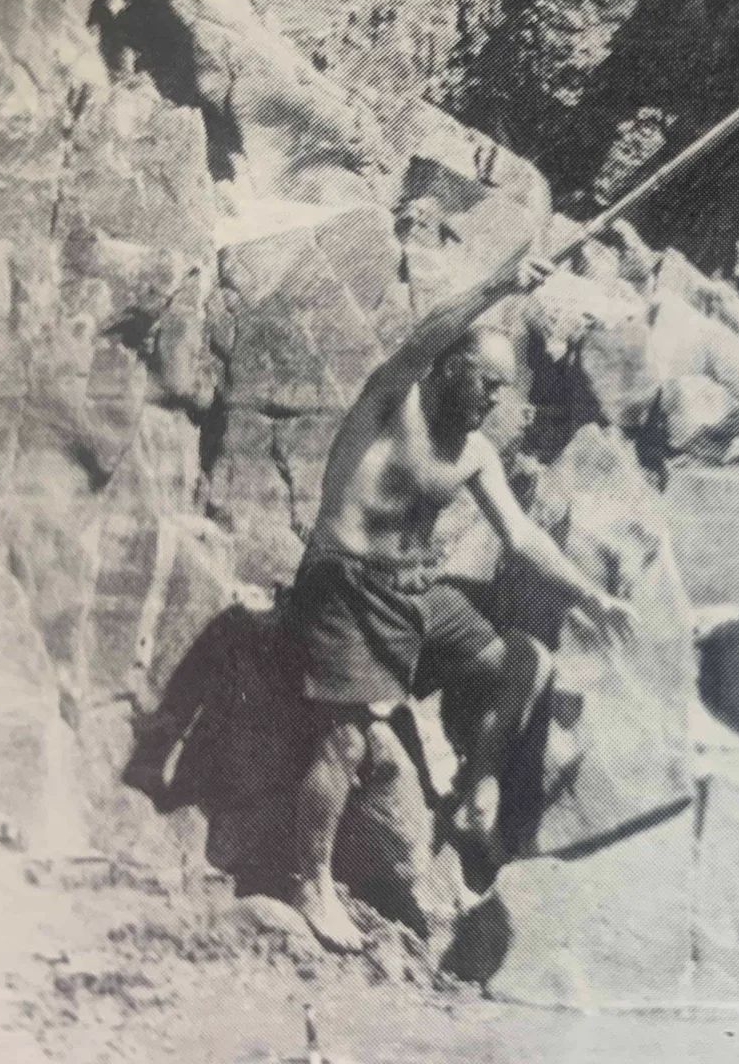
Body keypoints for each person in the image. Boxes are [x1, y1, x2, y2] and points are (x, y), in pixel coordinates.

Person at [281, 251, 637, 953]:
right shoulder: (390, 403)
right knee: (345, 740)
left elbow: (523, 536)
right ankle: (309, 882)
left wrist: (591, 592)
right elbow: (423, 333)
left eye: (503, 390)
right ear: (451, 366)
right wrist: (500, 283)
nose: (492, 400)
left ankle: (480, 793)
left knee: (523, 662)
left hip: (416, 604)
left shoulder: (473, 452)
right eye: (485, 382)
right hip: (345, 590)